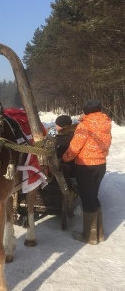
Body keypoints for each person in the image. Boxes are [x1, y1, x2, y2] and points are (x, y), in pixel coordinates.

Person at [62, 99, 112, 245]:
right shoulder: (106, 123)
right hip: (100, 164)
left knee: (86, 198)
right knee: (93, 196)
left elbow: (75, 147)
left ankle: (89, 236)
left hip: (86, 166)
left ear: (86, 111)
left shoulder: (85, 125)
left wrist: (64, 159)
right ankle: (99, 233)